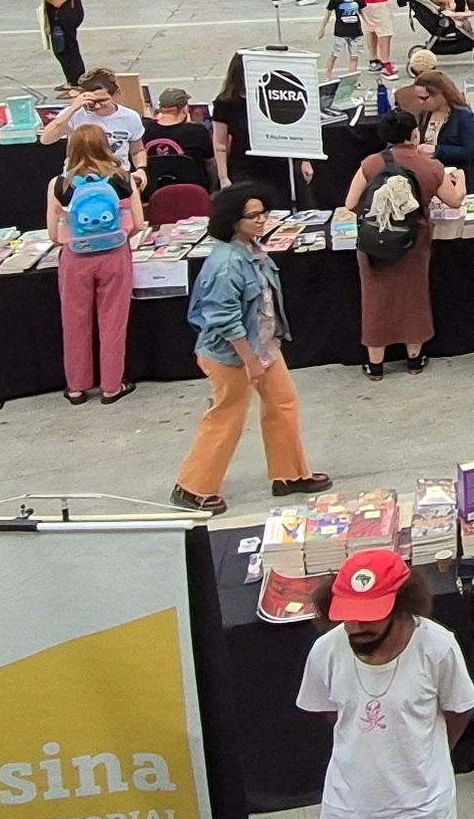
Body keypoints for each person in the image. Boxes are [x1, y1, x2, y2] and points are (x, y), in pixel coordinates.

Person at [300, 546, 474, 819]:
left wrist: (426, 752)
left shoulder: (438, 648)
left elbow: (459, 709)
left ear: (401, 606)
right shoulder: (324, 652)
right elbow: (331, 714)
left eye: (369, 615)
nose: (357, 625)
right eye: (349, 615)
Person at [171, 182, 323, 515]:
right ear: (232, 220)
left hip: (265, 346)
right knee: (227, 417)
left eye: (263, 213)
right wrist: (250, 360)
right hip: (233, 356)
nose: (261, 220)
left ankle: (290, 474)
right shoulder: (227, 263)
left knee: (284, 404)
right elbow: (224, 320)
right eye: (252, 215)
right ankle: (192, 487)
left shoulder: (253, 249)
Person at [342, 91, 450, 380]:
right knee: (413, 297)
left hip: (375, 241)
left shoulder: (370, 164)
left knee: (375, 299)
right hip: (414, 242)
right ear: (415, 135)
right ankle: (414, 359)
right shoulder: (431, 167)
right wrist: (459, 180)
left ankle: (375, 364)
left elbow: (350, 203)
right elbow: (454, 200)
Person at [46, 127, 138, 406]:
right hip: (114, 255)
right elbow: (138, 223)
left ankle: (76, 386)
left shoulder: (60, 184)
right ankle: (112, 386)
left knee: (74, 322)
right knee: (113, 321)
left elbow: (53, 234)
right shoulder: (123, 179)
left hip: (75, 259)